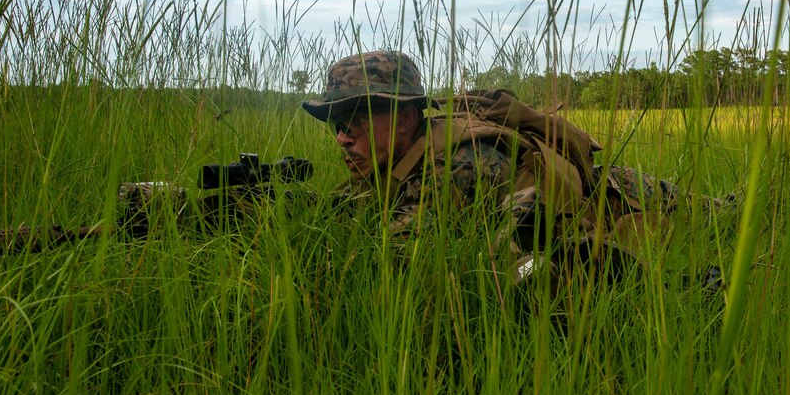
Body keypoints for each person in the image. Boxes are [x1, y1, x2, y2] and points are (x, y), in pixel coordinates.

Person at [302, 50, 730, 292]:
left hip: (611, 193)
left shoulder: (455, 168)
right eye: (336, 124)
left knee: (720, 216)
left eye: (357, 118)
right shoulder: (383, 162)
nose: (343, 136)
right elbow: (340, 215)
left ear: (408, 114)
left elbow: (398, 257)